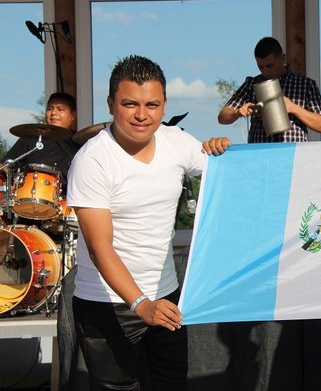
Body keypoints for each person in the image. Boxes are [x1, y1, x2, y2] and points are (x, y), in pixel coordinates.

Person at [66, 54, 230, 390]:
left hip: (165, 297)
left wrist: (222, 151)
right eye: (130, 104)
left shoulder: (176, 141)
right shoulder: (92, 161)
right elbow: (100, 248)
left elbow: (232, 176)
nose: (142, 115)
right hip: (107, 305)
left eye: (152, 104)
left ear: (165, 105)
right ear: (111, 104)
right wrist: (141, 305)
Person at [218, 36, 321, 142]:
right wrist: (237, 112)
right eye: (261, 67)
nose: (265, 71)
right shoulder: (252, 83)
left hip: (294, 154)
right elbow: (222, 117)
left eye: (270, 66)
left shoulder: (306, 85)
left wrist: (294, 108)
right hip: (261, 154)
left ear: (283, 58)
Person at [1, 92, 80, 187]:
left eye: (60, 109)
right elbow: (5, 166)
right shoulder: (31, 137)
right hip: (28, 195)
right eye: (50, 109)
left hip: (68, 198)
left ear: (73, 116)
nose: (54, 113)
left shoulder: (79, 142)